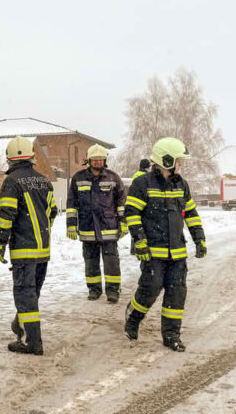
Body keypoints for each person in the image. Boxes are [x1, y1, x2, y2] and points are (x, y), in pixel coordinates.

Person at [123, 137, 207, 352]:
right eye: (179, 161)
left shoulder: (182, 184)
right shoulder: (143, 184)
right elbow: (132, 214)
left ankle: (171, 335)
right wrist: (139, 241)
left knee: (177, 293)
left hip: (177, 252)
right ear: (166, 160)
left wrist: (199, 239)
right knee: (150, 289)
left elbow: (191, 213)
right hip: (152, 251)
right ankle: (133, 318)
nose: (181, 165)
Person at [0, 136, 57, 355]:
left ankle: (32, 342)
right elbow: (52, 212)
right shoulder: (43, 180)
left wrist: (1, 241)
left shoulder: (11, 182)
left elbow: (7, 216)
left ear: (10, 158)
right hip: (43, 250)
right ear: (31, 156)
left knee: (25, 294)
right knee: (33, 293)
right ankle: (20, 325)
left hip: (23, 250)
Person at [66, 144, 126, 303]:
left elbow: (121, 202)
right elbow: (72, 204)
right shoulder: (78, 178)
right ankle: (94, 289)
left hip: (109, 227)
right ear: (89, 160)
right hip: (87, 227)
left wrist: (124, 223)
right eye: (95, 160)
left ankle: (113, 291)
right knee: (90, 261)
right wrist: (71, 225)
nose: (98, 162)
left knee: (111, 262)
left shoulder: (113, 178)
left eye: (101, 159)